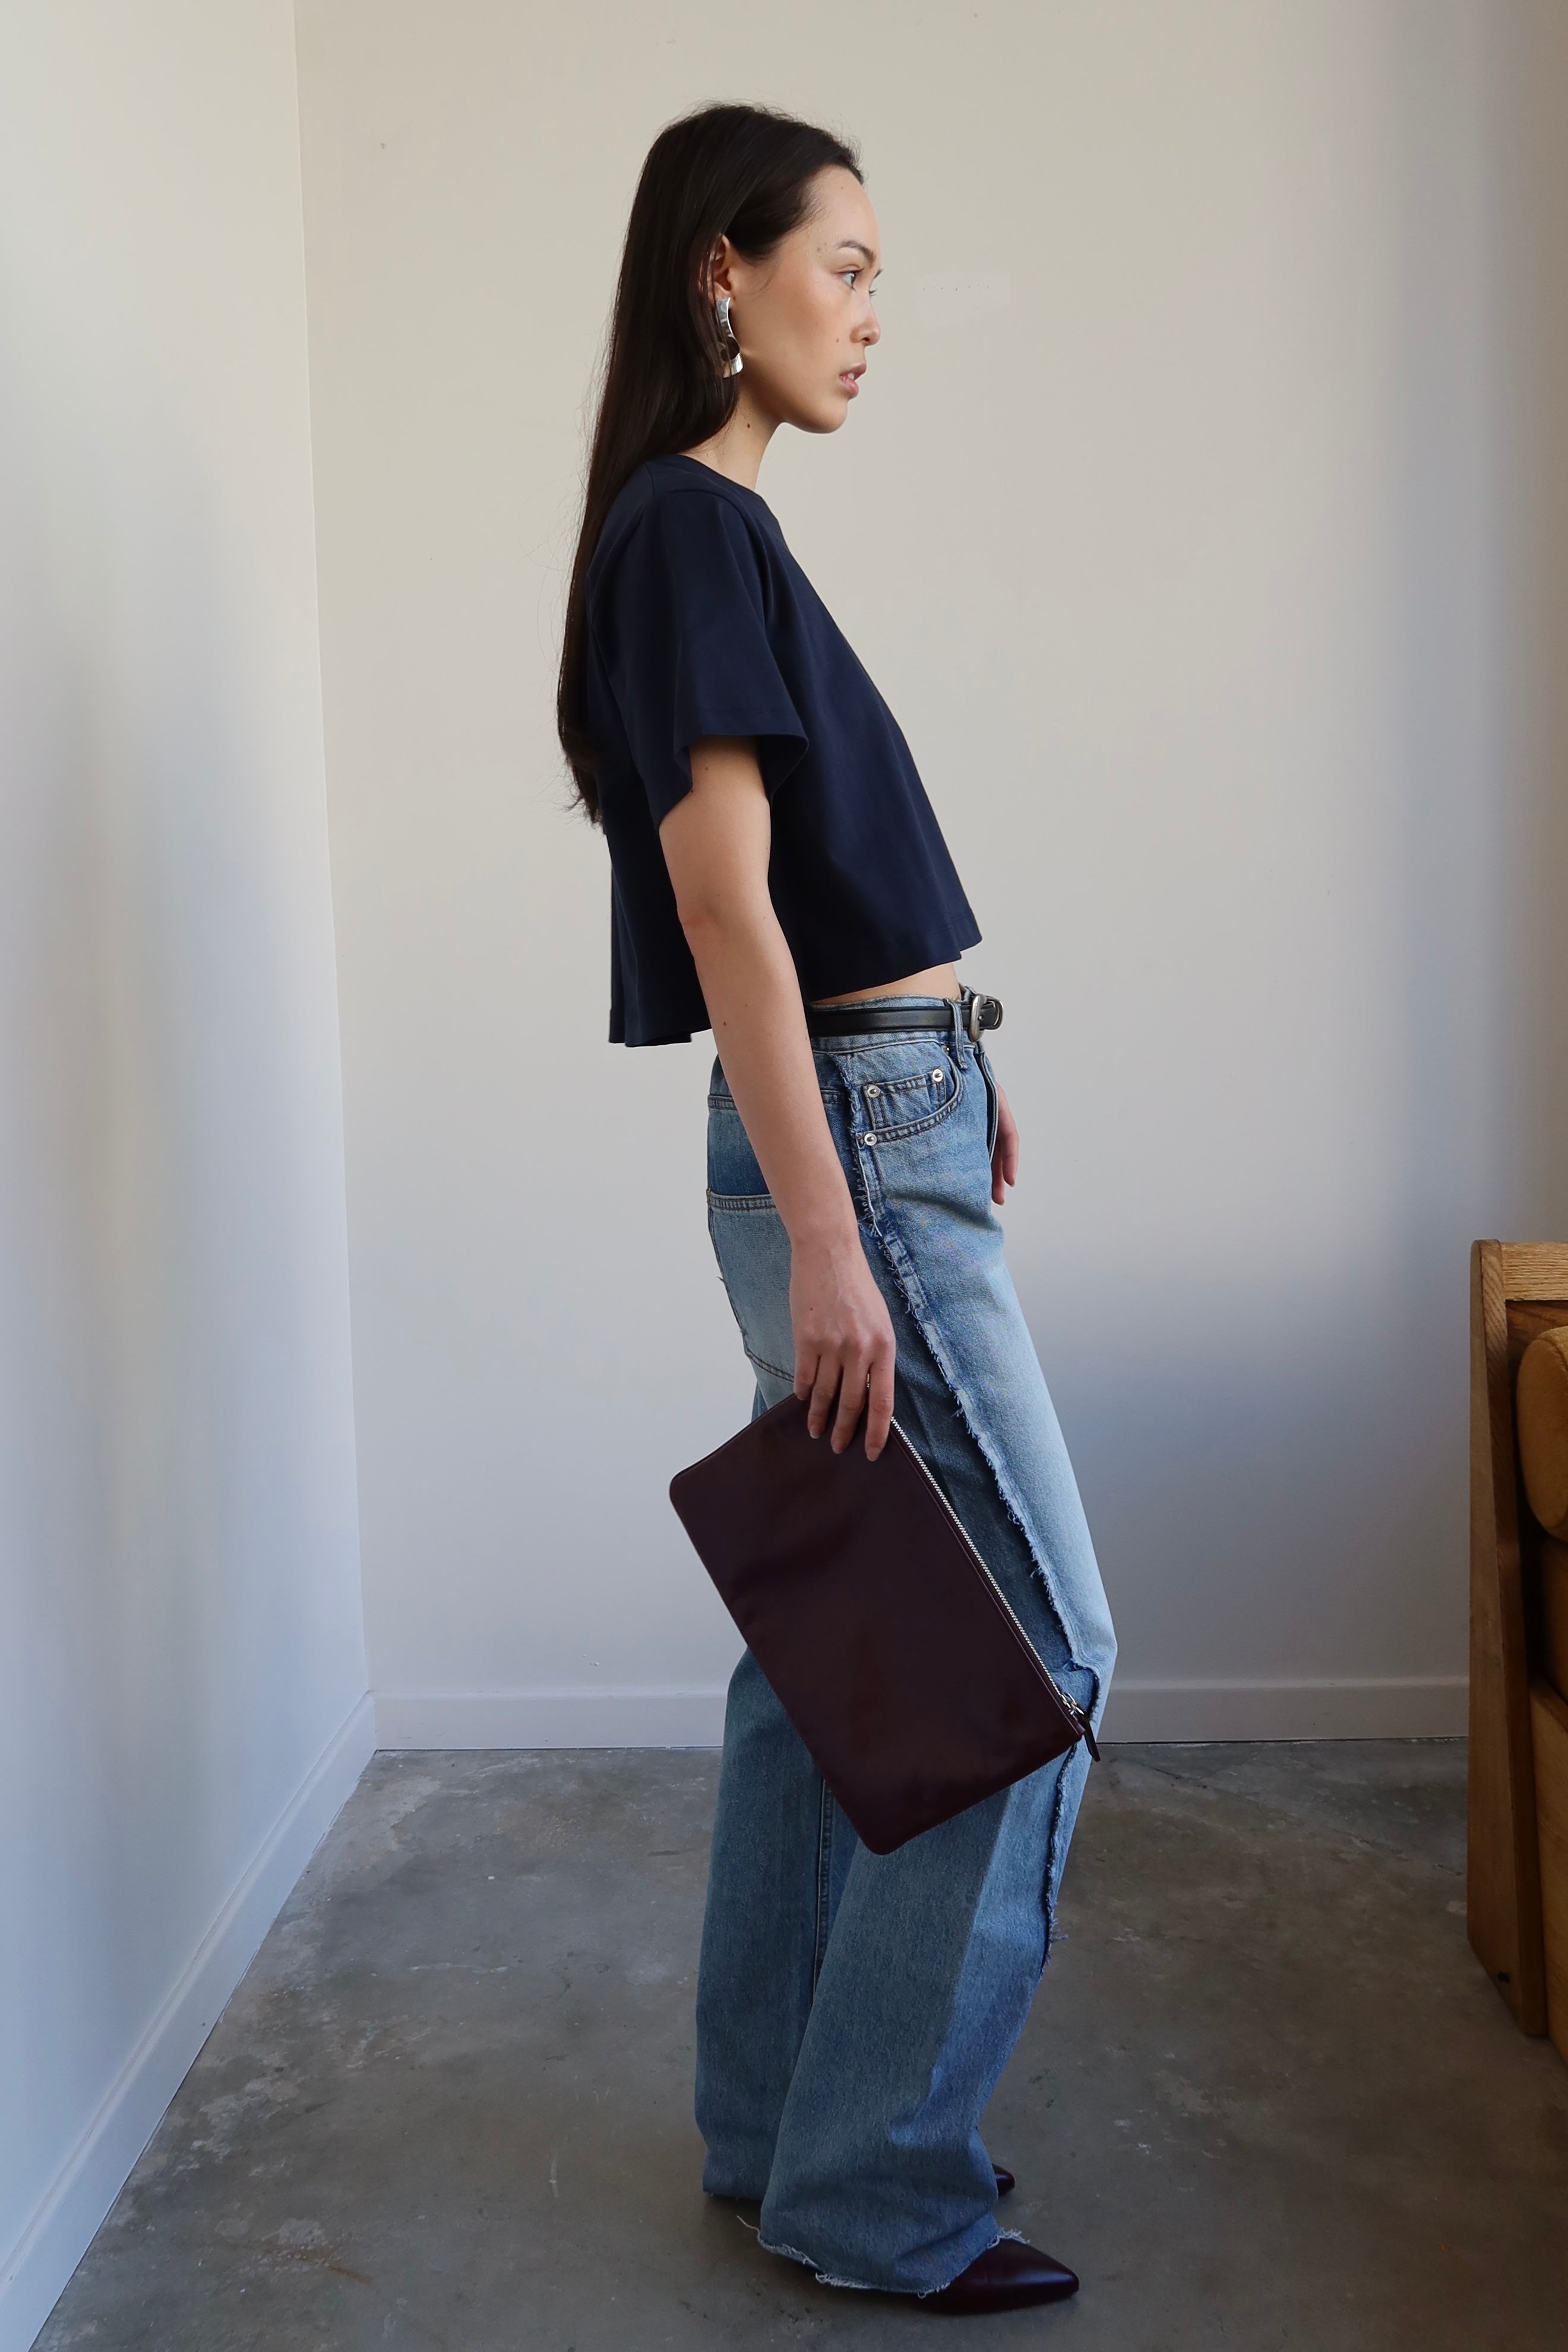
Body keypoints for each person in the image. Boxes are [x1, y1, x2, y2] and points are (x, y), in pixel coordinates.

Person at [557, 102, 1117, 2316]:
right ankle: (880, 2181)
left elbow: (803, 890)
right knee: (1043, 1657)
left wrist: (948, 1070)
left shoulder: (699, 535)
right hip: (850, 1156)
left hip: (886, 1120)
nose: (873, 314)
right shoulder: (694, 531)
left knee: (829, 1665)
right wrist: (827, 1222)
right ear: (726, 269)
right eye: (848, 265)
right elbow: (722, 899)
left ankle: (768, 2119)